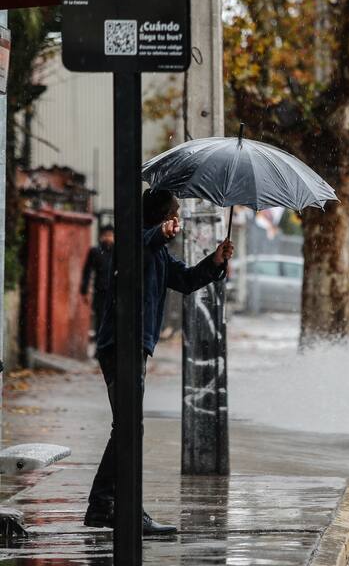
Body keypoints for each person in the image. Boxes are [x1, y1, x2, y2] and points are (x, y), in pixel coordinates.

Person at [84, 189, 234, 535]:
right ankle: (117, 508)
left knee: (127, 427)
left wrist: (215, 261)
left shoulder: (161, 255)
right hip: (121, 344)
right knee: (128, 427)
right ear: (163, 218)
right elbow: (140, 242)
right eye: (175, 215)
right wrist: (158, 233)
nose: (178, 221)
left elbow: (185, 280)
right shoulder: (134, 243)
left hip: (135, 346)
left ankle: (103, 506)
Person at [80, 225, 115, 340]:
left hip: (114, 292)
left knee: (112, 319)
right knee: (101, 318)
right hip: (100, 291)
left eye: (110, 235)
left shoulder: (117, 253)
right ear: (101, 237)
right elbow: (87, 271)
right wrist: (85, 290)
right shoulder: (95, 252)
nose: (108, 238)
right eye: (106, 235)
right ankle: (100, 345)